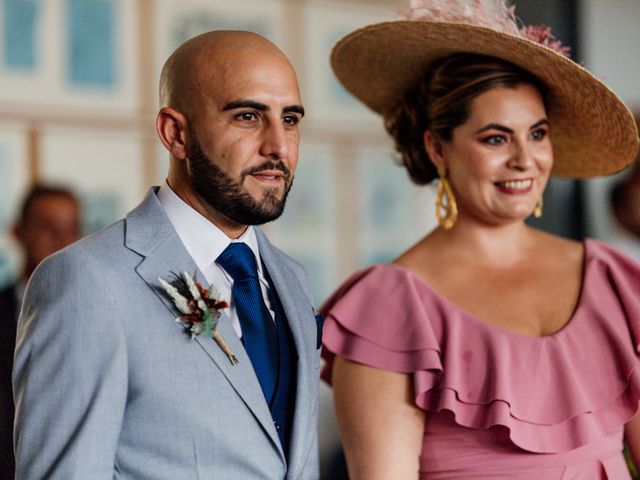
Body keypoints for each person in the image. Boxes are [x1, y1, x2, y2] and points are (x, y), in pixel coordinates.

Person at [320, 1, 640, 479]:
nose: (524, 159)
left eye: (537, 133)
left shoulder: (615, 280)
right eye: (495, 138)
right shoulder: (386, 309)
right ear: (437, 147)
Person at [14, 31, 321, 479]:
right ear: (175, 133)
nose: (279, 146)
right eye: (249, 116)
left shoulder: (291, 279)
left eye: (290, 119)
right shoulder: (87, 281)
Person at [0, 184, 80, 480]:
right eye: (47, 227)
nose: (61, 240)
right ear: (18, 232)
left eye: (71, 228)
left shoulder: (99, 312)